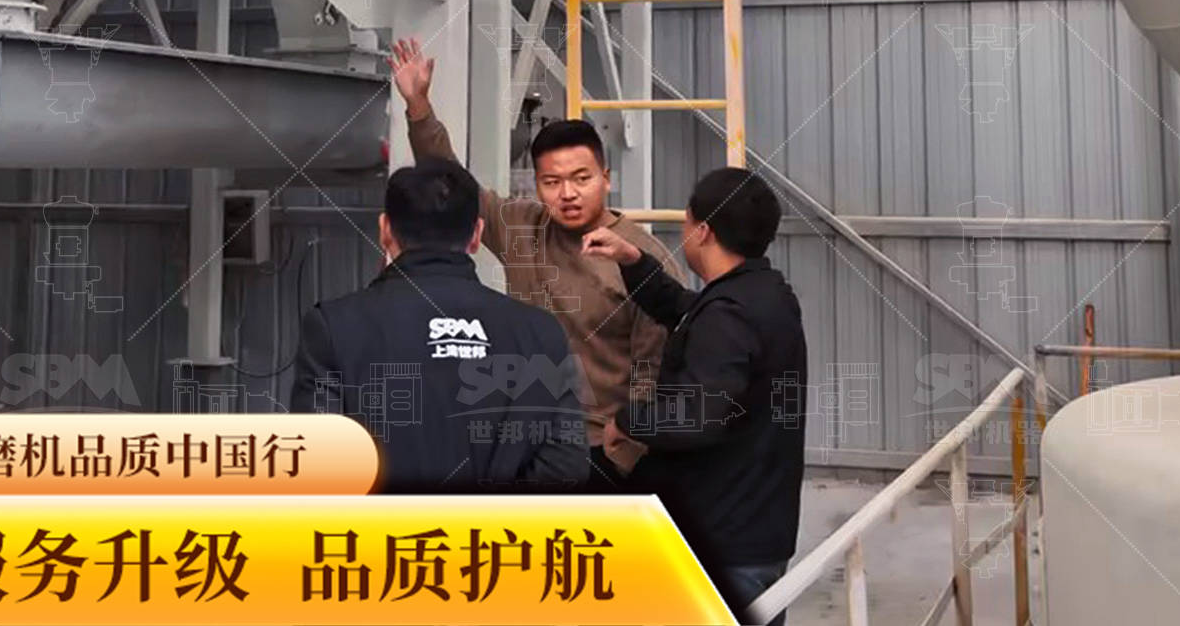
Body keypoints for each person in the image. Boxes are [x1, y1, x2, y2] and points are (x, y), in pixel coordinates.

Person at [392, 35, 681, 486]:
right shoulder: (521, 226)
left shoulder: (642, 258)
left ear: (606, 178)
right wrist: (419, 108)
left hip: (598, 450)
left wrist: (624, 450)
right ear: (538, 183)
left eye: (581, 178)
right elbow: (455, 184)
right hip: (520, 444)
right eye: (552, 181)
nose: (567, 193)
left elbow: (656, 369)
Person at [583, 167, 807, 625]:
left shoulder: (728, 316)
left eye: (687, 222)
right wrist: (632, 259)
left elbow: (696, 416)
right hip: (758, 528)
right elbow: (686, 312)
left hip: (723, 543)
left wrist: (627, 421)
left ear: (702, 231)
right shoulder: (763, 295)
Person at [290, 157, 590, 492]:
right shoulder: (540, 332)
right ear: (476, 234)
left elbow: (318, 466)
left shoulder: (334, 326)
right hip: (498, 526)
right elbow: (566, 464)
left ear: (385, 230)